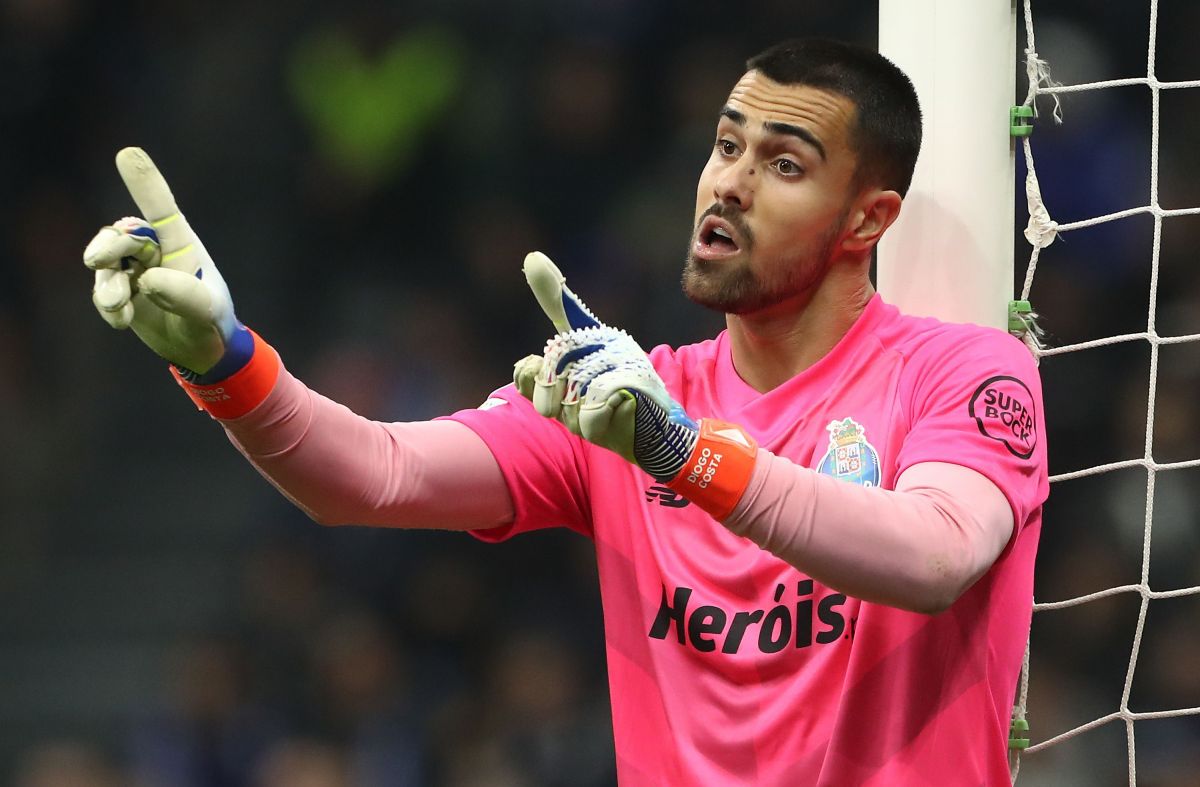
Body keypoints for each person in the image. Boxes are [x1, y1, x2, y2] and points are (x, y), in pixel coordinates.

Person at [84, 38, 1047, 786]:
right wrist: (224, 362)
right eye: (725, 145)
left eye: (784, 164)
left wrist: (681, 454)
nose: (729, 183)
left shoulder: (961, 370)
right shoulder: (624, 399)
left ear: (867, 219)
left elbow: (934, 555)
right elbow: (373, 473)